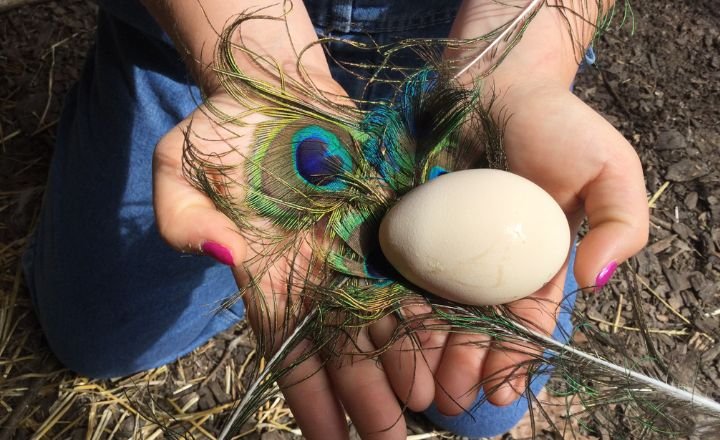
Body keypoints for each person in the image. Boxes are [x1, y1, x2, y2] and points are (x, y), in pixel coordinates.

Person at [22, 0, 649, 438]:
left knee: (479, 401)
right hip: (211, 34)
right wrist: (256, 65)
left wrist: (519, 62)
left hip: (462, 59)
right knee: (100, 335)